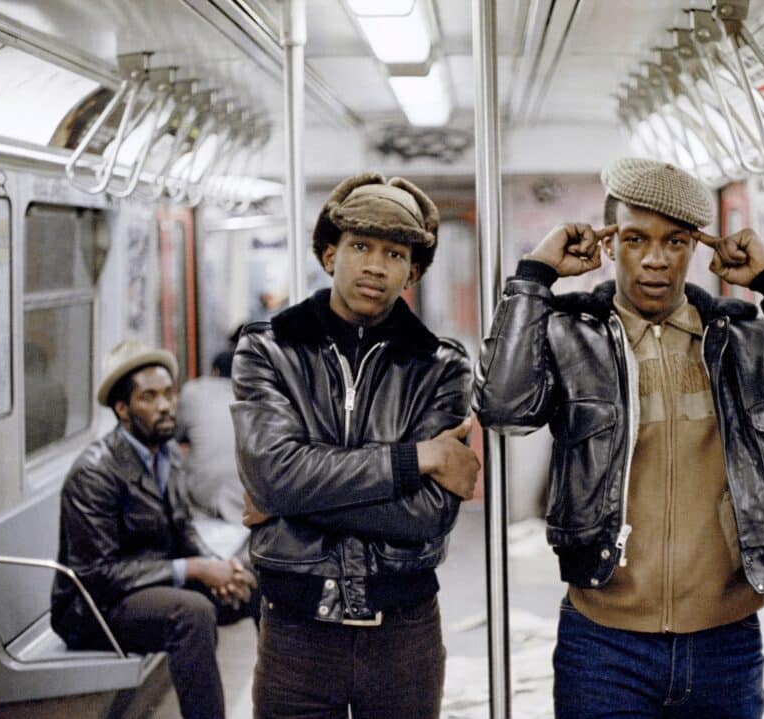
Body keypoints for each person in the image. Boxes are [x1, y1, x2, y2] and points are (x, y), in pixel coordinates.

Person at [473, 157, 764, 719]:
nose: (655, 259)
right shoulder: (569, 335)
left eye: (675, 241)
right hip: (604, 644)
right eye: (636, 238)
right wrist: (534, 278)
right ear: (610, 245)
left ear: (695, 248)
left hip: (725, 645)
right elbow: (502, 409)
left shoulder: (744, 341)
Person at [232, 172, 479, 719]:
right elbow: (275, 475)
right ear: (328, 254)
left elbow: (427, 515)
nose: (374, 265)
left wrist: (296, 497)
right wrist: (416, 458)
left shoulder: (442, 366)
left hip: (404, 632)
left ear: (412, 271)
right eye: (360, 246)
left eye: (394, 254)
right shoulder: (267, 350)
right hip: (296, 630)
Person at [50, 340, 259, 719]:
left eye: (168, 394)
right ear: (122, 408)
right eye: (149, 397)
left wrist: (217, 568)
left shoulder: (167, 457)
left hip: (152, 588)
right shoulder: (96, 472)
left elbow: (185, 534)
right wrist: (196, 570)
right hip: (95, 607)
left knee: (257, 579)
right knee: (191, 613)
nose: (165, 405)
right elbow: (95, 575)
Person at [176, 349, 245, 523]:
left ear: (214, 372)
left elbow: (176, 434)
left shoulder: (193, 390)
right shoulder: (257, 396)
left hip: (205, 498)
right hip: (249, 497)